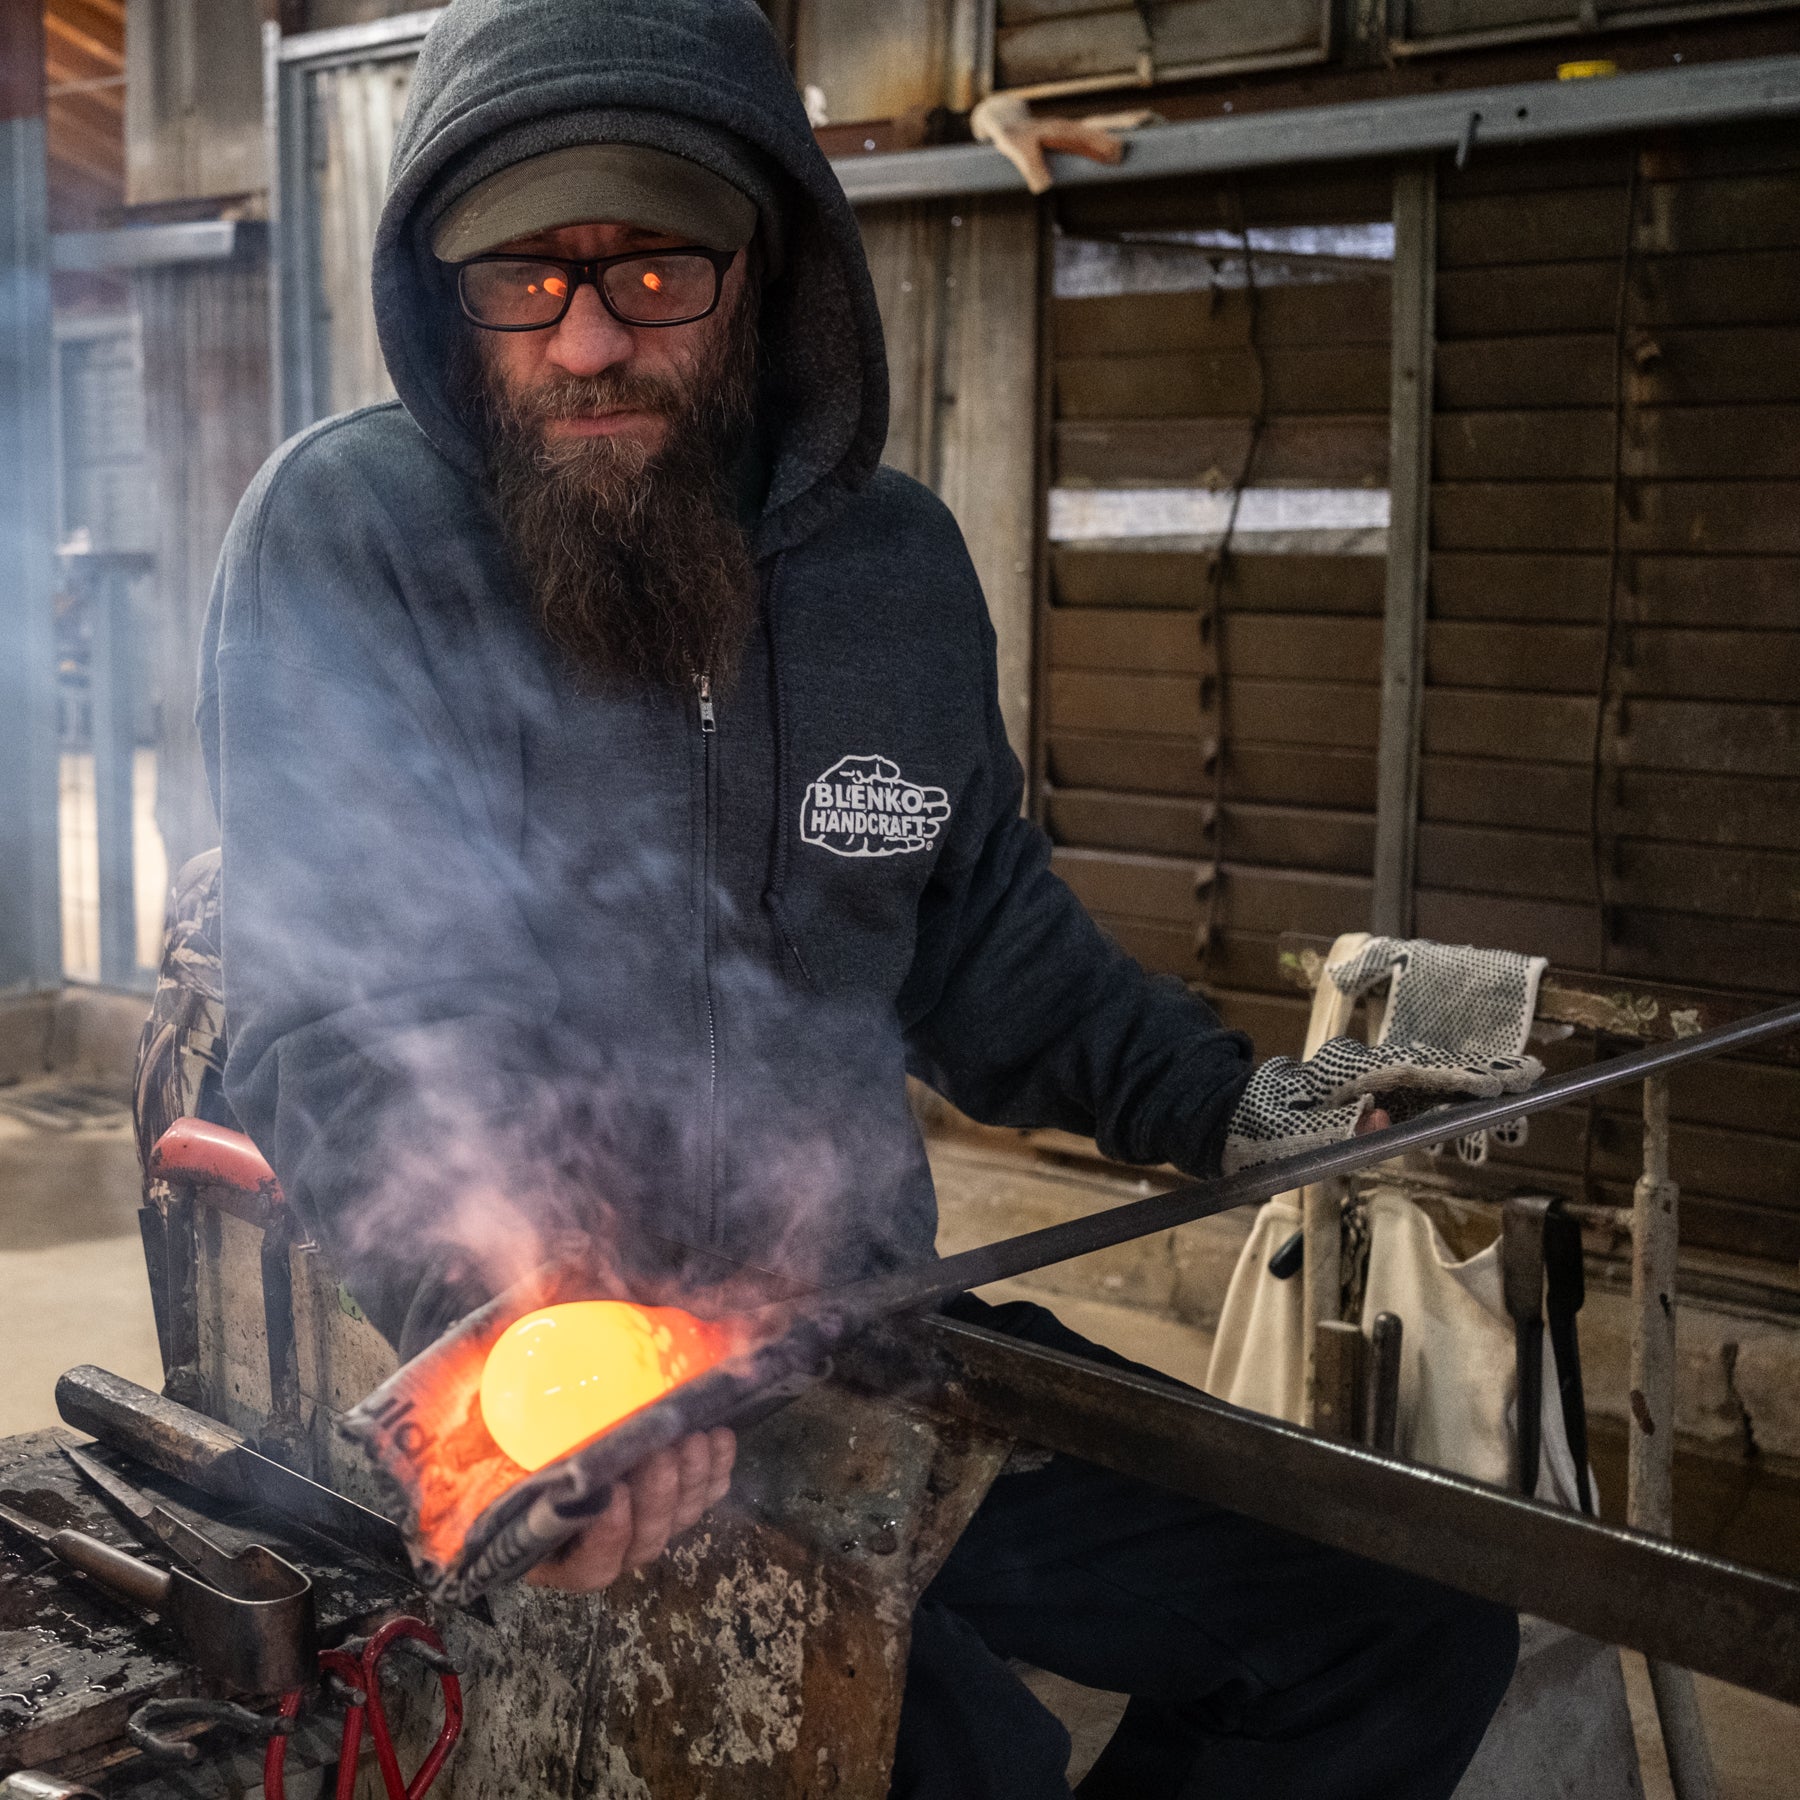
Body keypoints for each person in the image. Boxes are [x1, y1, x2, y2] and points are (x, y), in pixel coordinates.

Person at [201, 0, 1530, 1791]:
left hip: (862, 1336)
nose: (587, 342)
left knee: (1405, 1618)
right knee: (956, 1763)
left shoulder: (891, 573)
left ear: (768, 268)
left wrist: (1235, 1104)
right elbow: (345, 1018)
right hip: (552, 1369)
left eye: (652, 275)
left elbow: (986, 944)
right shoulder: (352, 539)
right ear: (448, 287)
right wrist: (511, 1311)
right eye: (527, 280)